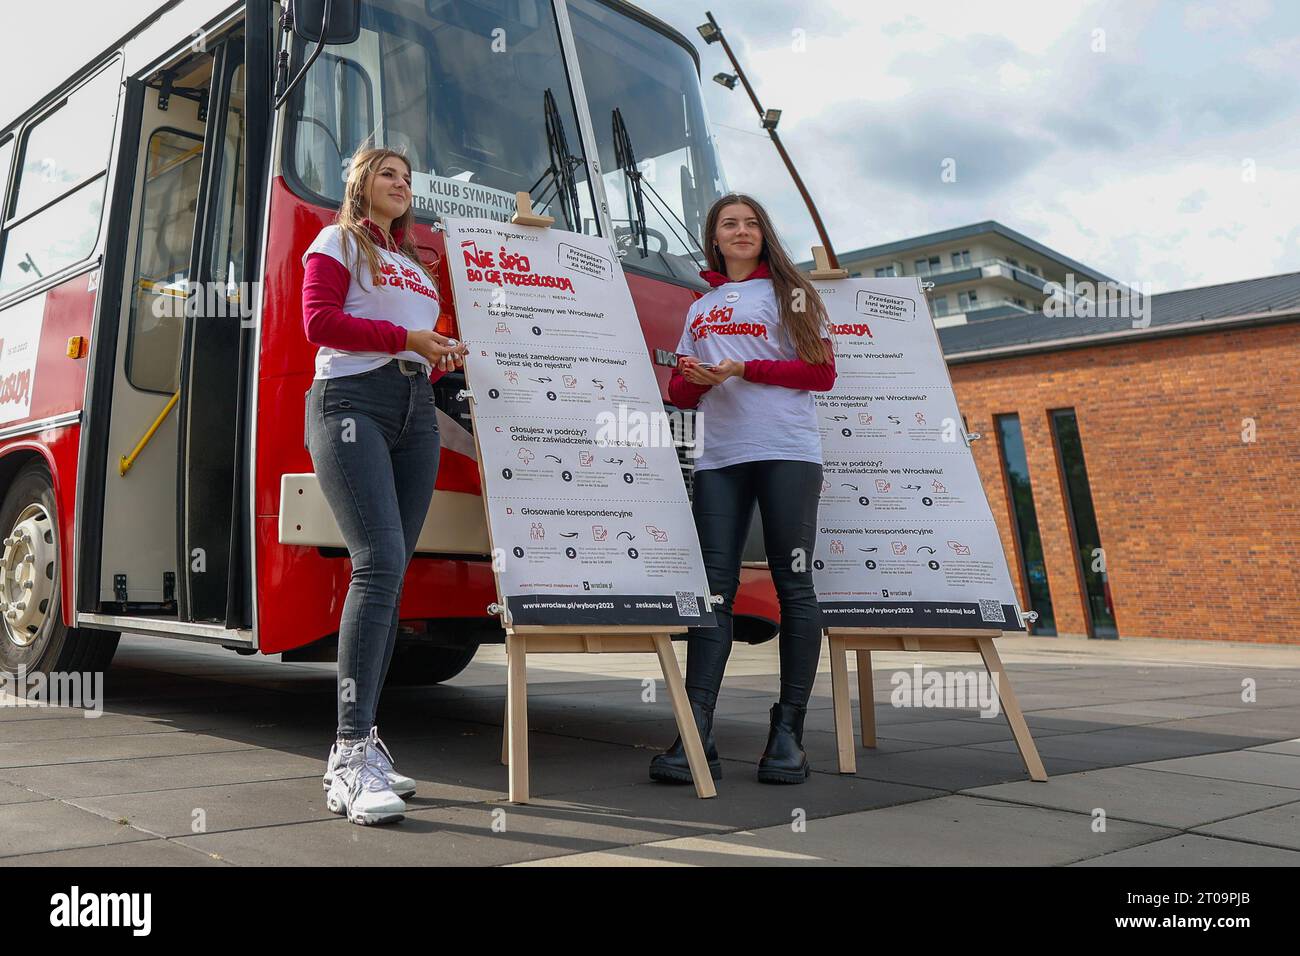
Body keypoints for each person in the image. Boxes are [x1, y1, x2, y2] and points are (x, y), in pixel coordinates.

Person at [301, 146, 468, 824]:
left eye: (407, 177)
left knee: (392, 570)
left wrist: (439, 355)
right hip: (350, 403)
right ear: (361, 184)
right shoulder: (335, 238)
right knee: (378, 563)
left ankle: (366, 740)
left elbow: (419, 346)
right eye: (387, 174)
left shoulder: (413, 265)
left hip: (412, 410)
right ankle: (346, 757)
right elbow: (319, 322)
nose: (400, 184)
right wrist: (407, 335)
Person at [651, 193, 835, 785]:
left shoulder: (791, 292)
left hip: (786, 452)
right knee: (713, 592)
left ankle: (788, 735)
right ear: (714, 236)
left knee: (794, 587)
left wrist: (742, 368)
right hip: (719, 458)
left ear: (764, 234)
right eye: (729, 223)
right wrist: (694, 378)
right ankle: (694, 729)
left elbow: (821, 372)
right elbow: (681, 395)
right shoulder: (700, 307)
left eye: (752, 222)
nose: (741, 230)